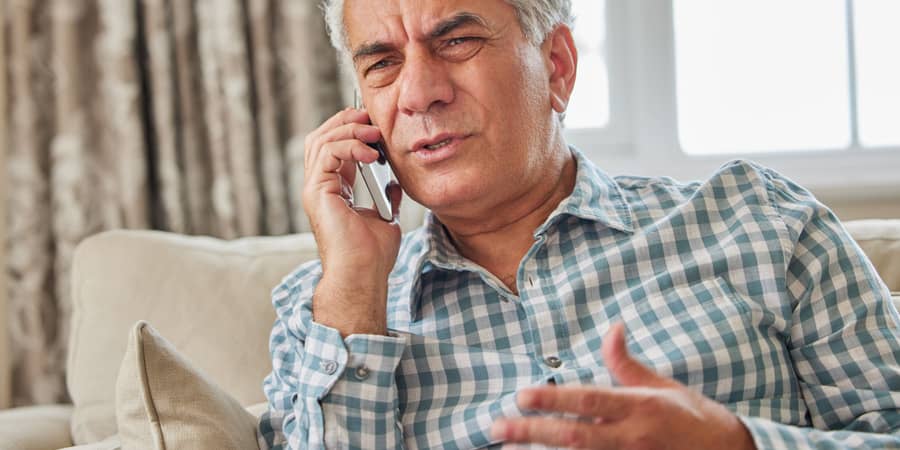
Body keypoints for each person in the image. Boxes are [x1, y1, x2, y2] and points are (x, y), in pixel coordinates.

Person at [259, 0, 900, 448]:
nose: (419, 92)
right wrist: (354, 285)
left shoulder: (760, 222)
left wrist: (735, 446)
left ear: (558, 65)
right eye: (382, 63)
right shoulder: (321, 316)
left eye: (456, 42)